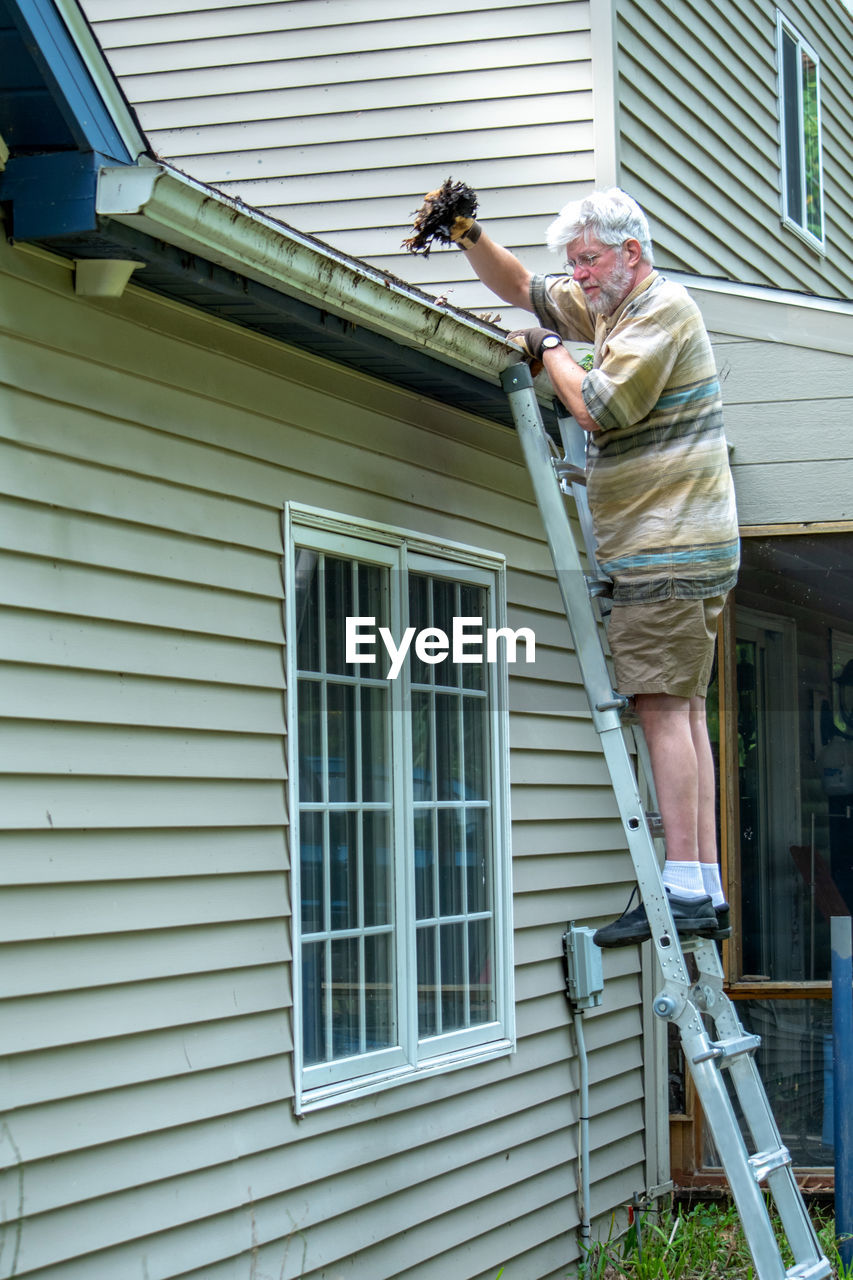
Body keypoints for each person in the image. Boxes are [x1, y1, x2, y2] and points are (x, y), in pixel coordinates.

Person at [445, 187, 740, 946]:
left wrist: (547, 352)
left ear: (629, 253)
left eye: (588, 259)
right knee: (681, 709)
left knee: (658, 707)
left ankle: (678, 888)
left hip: (664, 544)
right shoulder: (607, 303)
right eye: (572, 263)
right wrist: (467, 232)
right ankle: (699, 885)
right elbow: (520, 287)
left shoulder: (657, 313)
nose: (575, 276)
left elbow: (600, 409)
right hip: (678, 542)